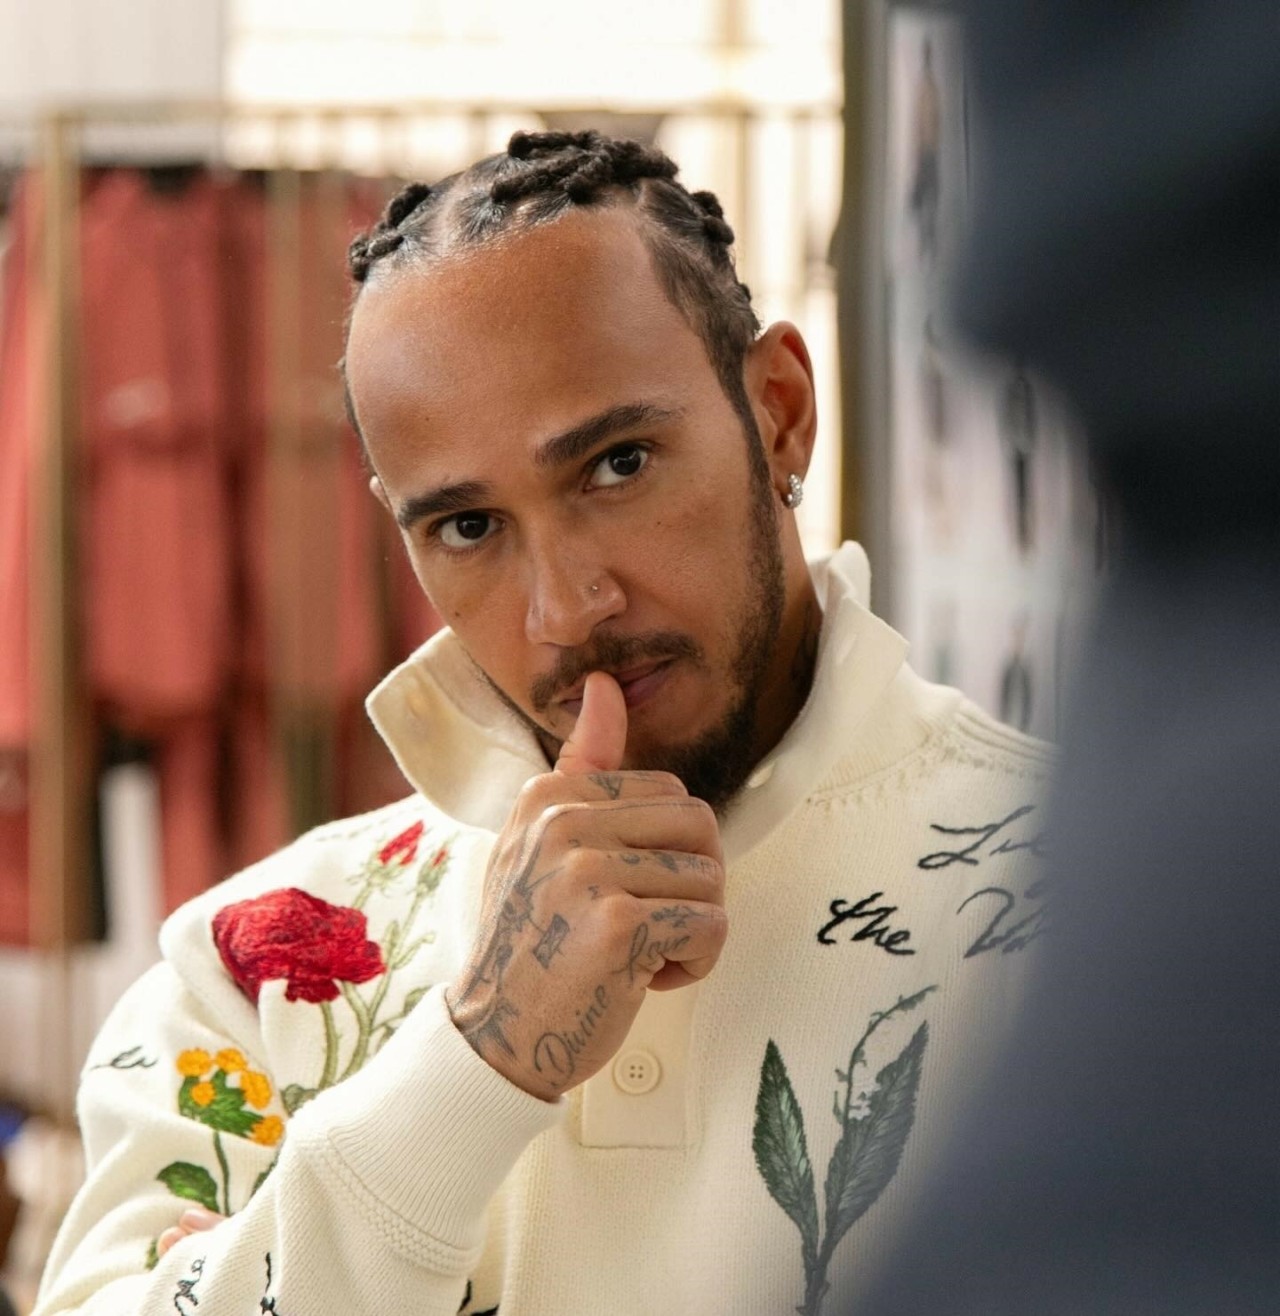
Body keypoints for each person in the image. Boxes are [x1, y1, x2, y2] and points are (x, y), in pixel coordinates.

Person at [35, 131, 1051, 1316]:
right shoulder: (247, 970)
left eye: (618, 464)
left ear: (777, 411)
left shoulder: (1093, 902)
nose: (567, 608)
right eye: (467, 527)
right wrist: (474, 1062)